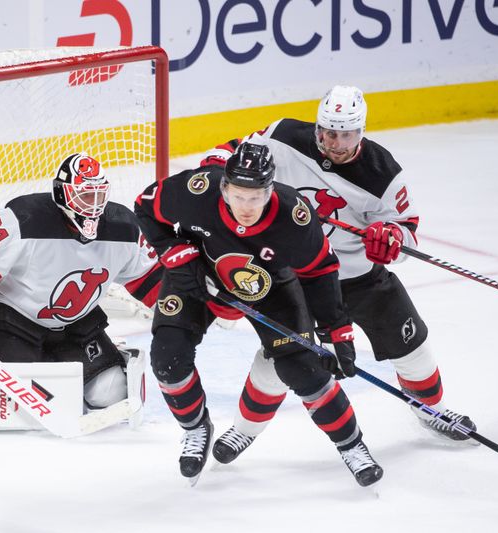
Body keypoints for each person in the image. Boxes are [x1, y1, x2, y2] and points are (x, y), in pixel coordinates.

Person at [201, 85, 478, 465]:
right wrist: (216, 165)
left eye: (345, 134)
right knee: (277, 359)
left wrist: (391, 238)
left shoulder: (383, 173)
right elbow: (235, 150)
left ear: (361, 131)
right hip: (299, 278)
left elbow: (407, 226)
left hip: (360, 278)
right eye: (329, 132)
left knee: (412, 348)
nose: (335, 142)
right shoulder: (284, 136)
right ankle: (243, 430)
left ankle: (433, 410)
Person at [134, 141, 383, 487]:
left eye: (255, 197)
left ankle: (353, 446)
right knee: (167, 356)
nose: (246, 207)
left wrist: (336, 330)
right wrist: (175, 254)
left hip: (271, 289)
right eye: (238, 196)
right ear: (224, 186)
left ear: (269, 190)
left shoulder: (294, 214)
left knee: (303, 369)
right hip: (198, 275)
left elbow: (321, 270)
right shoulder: (198, 190)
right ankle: (195, 428)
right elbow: (144, 206)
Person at [0, 152, 162, 416]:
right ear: (62, 194)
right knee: (31, 405)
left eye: (98, 195)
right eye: (84, 195)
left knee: (111, 391)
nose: (93, 205)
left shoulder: (124, 228)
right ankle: (43, 366)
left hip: (76, 326)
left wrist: (186, 309)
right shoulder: (24, 219)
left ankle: (67, 363)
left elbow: (151, 280)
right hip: (12, 323)